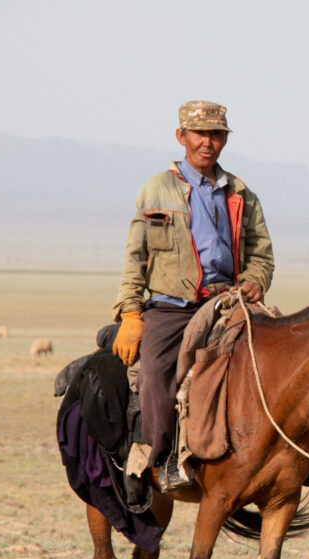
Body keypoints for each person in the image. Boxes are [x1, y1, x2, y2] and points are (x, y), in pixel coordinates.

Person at [110, 100, 276, 492]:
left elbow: (262, 254)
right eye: (200, 134)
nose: (208, 142)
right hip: (173, 307)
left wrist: (255, 279)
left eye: (216, 134)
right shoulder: (157, 190)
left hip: (229, 301)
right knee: (155, 372)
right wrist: (131, 314)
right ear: (181, 136)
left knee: (282, 357)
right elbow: (136, 257)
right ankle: (162, 458)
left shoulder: (241, 193)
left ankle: (287, 456)